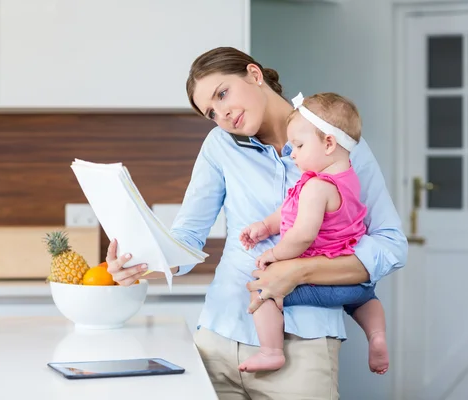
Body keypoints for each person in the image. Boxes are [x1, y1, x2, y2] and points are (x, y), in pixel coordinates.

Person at [106, 47, 408, 400]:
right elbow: (187, 239)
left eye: (223, 94)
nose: (223, 114)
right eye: (211, 112)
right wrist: (142, 265)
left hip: (304, 350)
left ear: (254, 74)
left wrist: (299, 271)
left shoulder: (335, 140)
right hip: (217, 342)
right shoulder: (220, 145)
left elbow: (390, 244)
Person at [238, 92, 388, 375]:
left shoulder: (316, 188)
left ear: (328, 143)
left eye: (299, 145)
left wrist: (273, 253)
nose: (292, 153)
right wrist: (265, 227)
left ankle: (270, 351)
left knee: (262, 291)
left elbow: (302, 236)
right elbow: (288, 211)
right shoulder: (350, 180)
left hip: (320, 282)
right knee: (365, 300)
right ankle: (376, 335)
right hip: (353, 277)